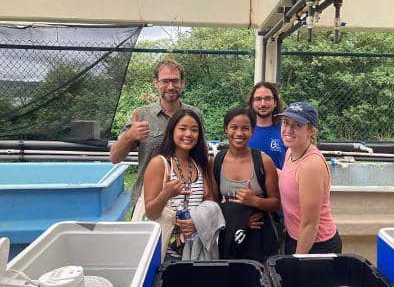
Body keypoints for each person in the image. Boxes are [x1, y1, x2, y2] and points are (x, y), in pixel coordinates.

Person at [110, 57, 203, 206]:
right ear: (156, 83)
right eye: (165, 81)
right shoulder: (141, 115)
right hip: (148, 198)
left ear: (182, 83)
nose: (171, 86)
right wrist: (129, 136)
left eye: (175, 81)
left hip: (188, 197)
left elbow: (200, 156)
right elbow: (115, 158)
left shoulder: (195, 115)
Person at [208, 107, 280, 262]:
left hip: (259, 237)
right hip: (228, 235)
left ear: (252, 131)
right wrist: (239, 220)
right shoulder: (216, 162)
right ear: (226, 129)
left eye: (245, 128)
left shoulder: (263, 161)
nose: (239, 133)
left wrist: (256, 201)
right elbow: (212, 204)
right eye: (234, 127)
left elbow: (276, 203)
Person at [143, 109, 215, 260]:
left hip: (194, 250)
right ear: (172, 131)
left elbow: (210, 202)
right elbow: (151, 212)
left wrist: (197, 222)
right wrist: (166, 194)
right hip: (164, 252)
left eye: (194, 130)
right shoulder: (159, 164)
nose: (188, 134)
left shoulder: (198, 165)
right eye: (182, 129)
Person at [277, 102, 342, 255]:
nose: (288, 130)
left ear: (311, 131)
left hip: (316, 245)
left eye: (297, 125)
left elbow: (310, 224)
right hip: (294, 237)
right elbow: (290, 181)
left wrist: (298, 261)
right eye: (285, 123)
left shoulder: (311, 165)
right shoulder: (291, 152)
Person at [247, 81, 286, 170]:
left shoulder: (286, 131)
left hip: (278, 183)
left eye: (267, 98)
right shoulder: (244, 130)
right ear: (252, 103)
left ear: (275, 102)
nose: (263, 104)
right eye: (258, 99)